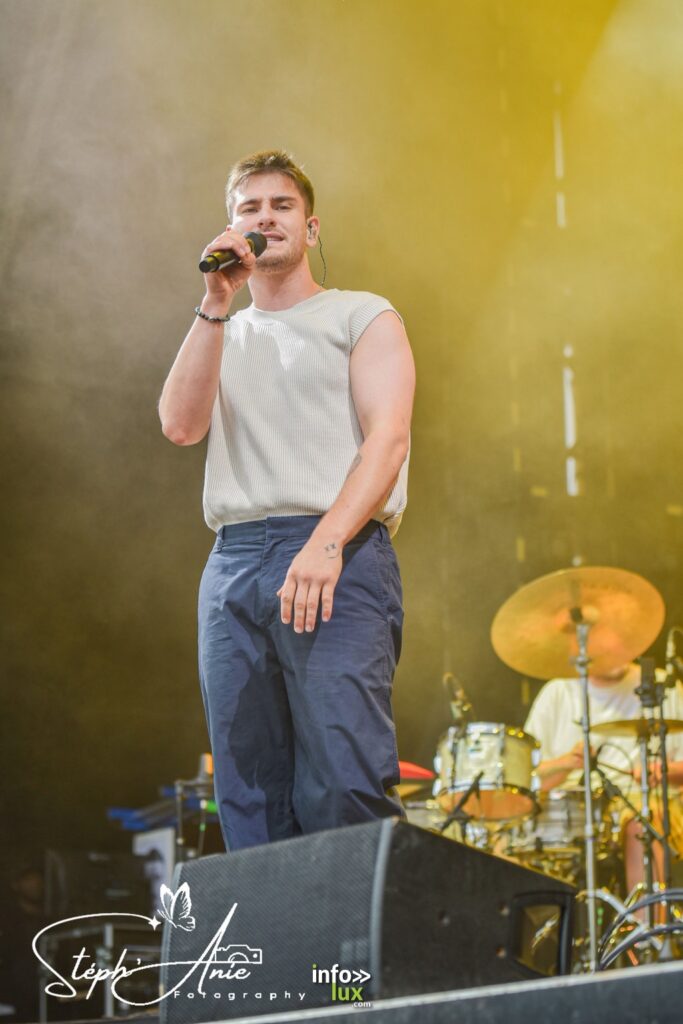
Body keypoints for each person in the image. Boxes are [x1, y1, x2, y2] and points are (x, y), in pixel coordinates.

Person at [159, 150, 415, 851]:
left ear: (311, 227)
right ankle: (276, 928)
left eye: (281, 206)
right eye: (249, 208)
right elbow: (179, 427)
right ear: (232, 227)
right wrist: (216, 301)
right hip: (235, 559)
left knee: (343, 777)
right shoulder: (220, 328)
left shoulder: (361, 314)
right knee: (248, 788)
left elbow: (388, 440)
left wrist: (327, 542)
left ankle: (356, 928)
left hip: (336, 548)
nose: (265, 218)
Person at [524, 663, 683, 894]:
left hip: (645, 803)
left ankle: (648, 917)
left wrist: (663, 770)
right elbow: (525, 781)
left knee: (642, 822)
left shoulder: (663, 686)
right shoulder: (557, 692)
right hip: (566, 814)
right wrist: (566, 763)